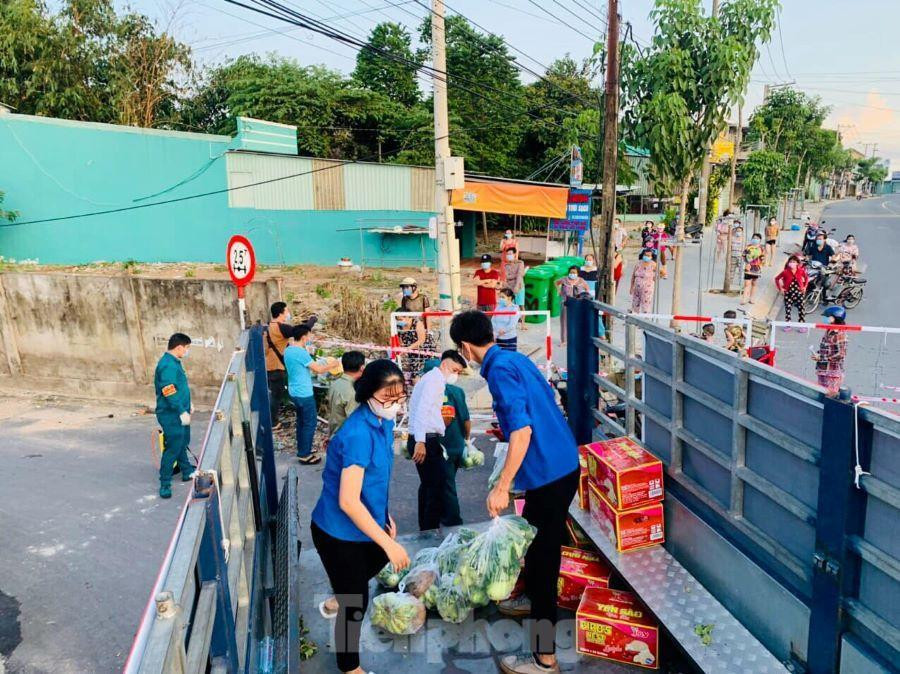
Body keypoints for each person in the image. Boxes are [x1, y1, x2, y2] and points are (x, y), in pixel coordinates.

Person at [449, 311, 580, 674]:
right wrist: (506, 432)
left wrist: (502, 486)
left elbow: (522, 432)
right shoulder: (513, 358)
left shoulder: (499, 372)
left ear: (464, 347)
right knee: (536, 550)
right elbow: (530, 415)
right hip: (561, 462)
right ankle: (531, 599)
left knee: (542, 560)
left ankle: (544, 658)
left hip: (549, 475)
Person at [310, 359, 410, 674]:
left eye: (399, 399)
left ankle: (339, 596)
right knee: (357, 602)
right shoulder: (357, 434)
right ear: (368, 394)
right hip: (338, 531)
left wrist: (383, 517)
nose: (394, 406)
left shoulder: (384, 422)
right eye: (387, 399)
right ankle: (349, 667)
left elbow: (377, 478)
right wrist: (387, 542)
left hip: (367, 521)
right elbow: (349, 501)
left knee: (376, 558)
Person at [406, 350, 467, 530]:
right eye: (455, 370)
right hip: (427, 439)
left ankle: (425, 529)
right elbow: (423, 411)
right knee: (436, 489)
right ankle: (429, 532)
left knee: (429, 487)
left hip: (426, 437)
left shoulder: (429, 379)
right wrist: (421, 441)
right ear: (445, 365)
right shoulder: (435, 380)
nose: (456, 375)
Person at [284, 325, 338, 465]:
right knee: (310, 423)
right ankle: (305, 454)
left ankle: (303, 448)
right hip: (304, 393)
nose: (310, 338)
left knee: (301, 422)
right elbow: (319, 370)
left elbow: (305, 366)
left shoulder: (289, 349)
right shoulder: (301, 353)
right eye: (309, 336)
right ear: (303, 337)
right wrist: (332, 365)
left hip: (294, 391)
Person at [154, 333, 196, 499]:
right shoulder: (167, 365)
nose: (187, 351)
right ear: (179, 347)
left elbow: (181, 387)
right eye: (187, 348)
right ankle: (165, 483)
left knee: (182, 442)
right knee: (173, 448)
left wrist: (188, 405)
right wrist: (180, 410)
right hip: (171, 414)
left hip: (180, 410)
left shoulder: (174, 363)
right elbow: (169, 390)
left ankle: (186, 470)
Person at [265, 302, 317, 430]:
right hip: (276, 367)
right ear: (281, 313)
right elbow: (301, 331)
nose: (288, 314)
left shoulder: (268, 326)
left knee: (275, 393)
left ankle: (273, 420)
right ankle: (273, 423)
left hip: (269, 364)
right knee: (276, 395)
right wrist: (312, 320)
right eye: (286, 311)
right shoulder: (280, 327)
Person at [396, 277, 435, 386]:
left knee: (427, 359)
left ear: (414, 287)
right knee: (413, 359)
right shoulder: (405, 299)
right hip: (409, 329)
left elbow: (427, 315)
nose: (405, 289)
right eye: (403, 287)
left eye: (407, 287)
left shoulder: (423, 298)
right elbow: (403, 313)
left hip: (420, 328)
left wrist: (428, 330)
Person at [327, 351, 365, 436]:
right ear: (362, 368)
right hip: (345, 436)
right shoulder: (352, 391)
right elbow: (354, 421)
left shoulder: (335, 383)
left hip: (334, 430)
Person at [814, 306, 848, 396]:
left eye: (827, 316)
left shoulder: (840, 334)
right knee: (821, 396)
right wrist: (818, 355)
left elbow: (841, 354)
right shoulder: (828, 330)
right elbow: (827, 348)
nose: (824, 318)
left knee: (830, 398)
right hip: (823, 370)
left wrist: (822, 358)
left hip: (832, 374)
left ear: (835, 318)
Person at [555, 266, 590, 345]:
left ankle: (576, 338)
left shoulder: (581, 281)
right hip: (565, 302)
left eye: (574, 273)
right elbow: (556, 283)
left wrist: (584, 297)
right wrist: (559, 291)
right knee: (564, 321)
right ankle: (564, 340)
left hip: (577, 303)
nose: (572, 274)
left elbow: (587, 289)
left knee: (577, 322)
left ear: (577, 273)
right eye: (571, 272)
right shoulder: (564, 279)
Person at [775, 255, 809, 327]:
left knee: (801, 308)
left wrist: (805, 287)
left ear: (797, 263)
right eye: (790, 262)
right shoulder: (785, 272)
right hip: (788, 293)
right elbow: (776, 279)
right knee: (788, 309)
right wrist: (780, 288)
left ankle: (802, 324)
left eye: (794, 262)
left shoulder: (801, 271)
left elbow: (806, 278)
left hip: (799, 292)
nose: (792, 263)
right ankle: (788, 325)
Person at [630, 248, 657, 314]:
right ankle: (634, 320)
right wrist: (631, 287)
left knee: (646, 305)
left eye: (648, 255)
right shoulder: (638, 263)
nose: (646, 257)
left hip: (647, 288)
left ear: (651, 257)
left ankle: (645, 320)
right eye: (645, 255)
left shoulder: (653, 264)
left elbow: (662, 272)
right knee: (635, 304)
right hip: (637, 287)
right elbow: (633, 275)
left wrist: (655, 277)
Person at [741, 233, 764, 304]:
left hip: (757, 268)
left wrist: (761, 266)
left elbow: (762, 258)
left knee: (754, 283)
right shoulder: (748, 247)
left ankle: (751, 298)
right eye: (754, 238)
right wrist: (747, 263)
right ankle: (744, 299)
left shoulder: (761, 248)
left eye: (757, 238)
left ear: (760, 240)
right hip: (748, 267)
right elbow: (743, 255)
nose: (755, 240)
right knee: (747, 284)